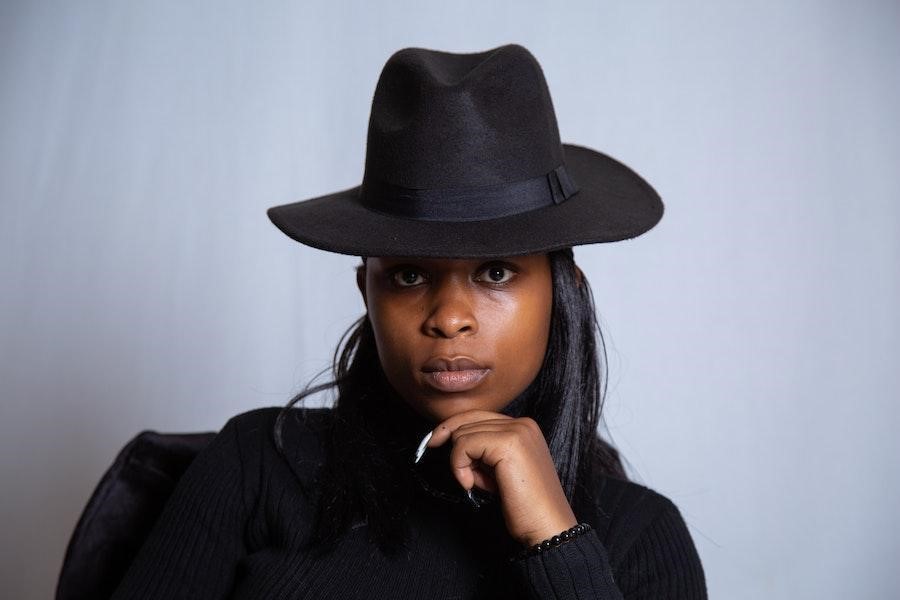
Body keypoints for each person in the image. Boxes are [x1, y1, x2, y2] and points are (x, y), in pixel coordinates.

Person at [111, 44, 707, 599]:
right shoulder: (258, 464)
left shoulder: (641, 534)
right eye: (408, 276)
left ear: (565, 292)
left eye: (496, 273)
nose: (448, 319)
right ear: (364, 290)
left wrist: (557, 544)